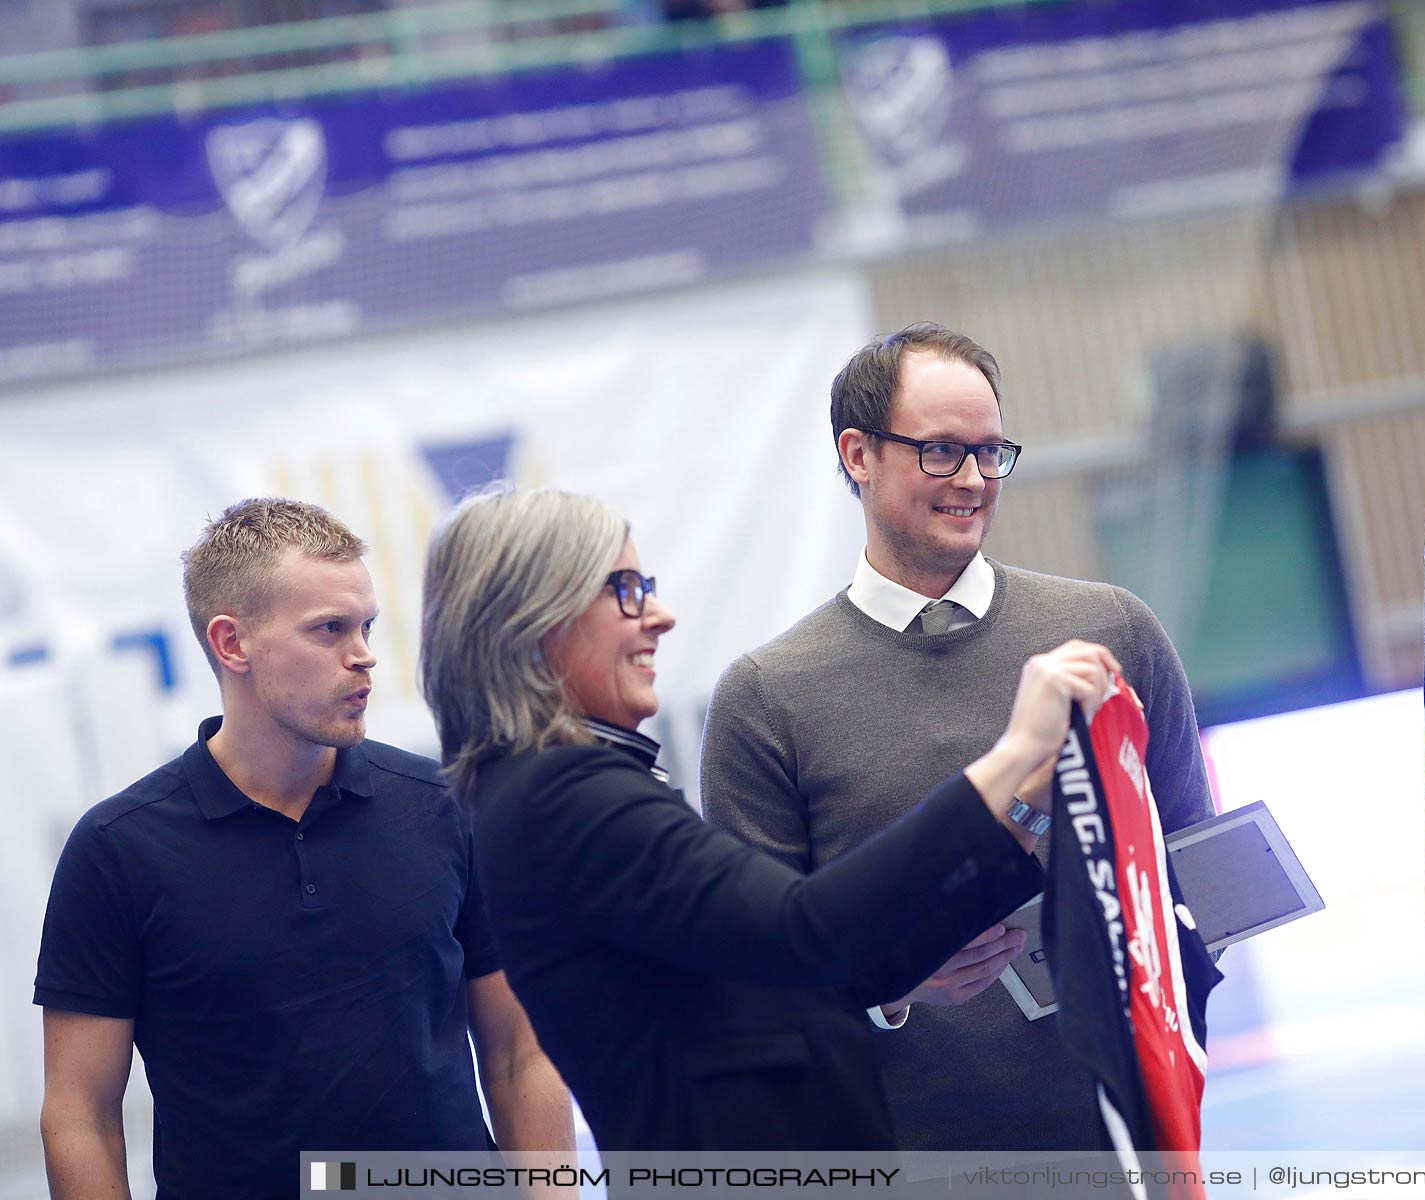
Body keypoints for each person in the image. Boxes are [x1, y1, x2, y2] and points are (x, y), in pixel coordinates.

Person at [418, 485, 1115, 1151]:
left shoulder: (545, 792)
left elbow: (766, 973)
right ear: (534, 618)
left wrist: (1022, 807)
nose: (659, 617)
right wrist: (1014, 756)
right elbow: (805, 931)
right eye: (627, 591)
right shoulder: (564, 794)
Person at [699, 322, 1217, 1152]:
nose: (974, 480)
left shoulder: (1110, 631)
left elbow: (1196, 872)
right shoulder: (767, 699)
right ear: (858, 454)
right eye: (941, 451)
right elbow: (755, 983)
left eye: (991, 452)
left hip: (1122, 1145)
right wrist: (887, 988)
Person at [34, 498, 574, 1199]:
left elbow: (518, 1052)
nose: (365, 655)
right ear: (233, 645)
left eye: (367, 625)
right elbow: (81, 1117)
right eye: (329, 630)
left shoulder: (443, 805)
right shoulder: (117, 851)